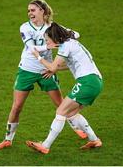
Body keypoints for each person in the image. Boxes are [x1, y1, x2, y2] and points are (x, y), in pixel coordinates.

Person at [0, 0, 88, 150]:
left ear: (42, 11)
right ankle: (8, 139)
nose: (30, 13)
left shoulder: (52, 27)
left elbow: (76, 34)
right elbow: (32, 48)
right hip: (27, 70)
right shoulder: (25, 27)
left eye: (33, 10)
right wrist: (50, 45)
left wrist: (65, 36)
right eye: (28, 11)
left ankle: (78, 128)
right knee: (17, 106)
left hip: (47, 71)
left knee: (61, 104)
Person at [26, 22, 103, 154]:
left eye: (47, 40)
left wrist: (38, 57)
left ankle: (45, 145)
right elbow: (68, 65)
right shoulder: (71, 43)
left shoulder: (66, 46)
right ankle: (94, 140)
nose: (46, 43)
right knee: (71, 113)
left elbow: (52, 66)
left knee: (61, 111)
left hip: (87, 82)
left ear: (53, 37)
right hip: (96, 82)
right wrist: (54, 69)